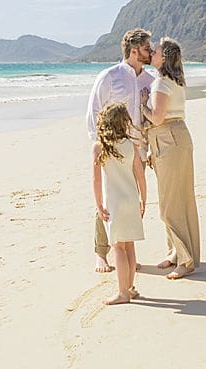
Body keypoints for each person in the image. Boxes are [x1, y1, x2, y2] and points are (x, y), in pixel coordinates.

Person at [85, 28, 153, 272]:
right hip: (111, 150)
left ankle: (126, 254)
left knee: (130, 201)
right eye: (147, 48)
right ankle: (101, 253)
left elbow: (151, 120)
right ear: (134, 51)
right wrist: (101, 145)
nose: (151, 52)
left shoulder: (149, 81)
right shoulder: (109, 76)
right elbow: (93, 112)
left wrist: (149, 149)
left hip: (137, 150)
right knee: (106, 201)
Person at [143, 36, 200, 279]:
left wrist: (141, 105)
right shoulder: (173, 81)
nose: (150, 54)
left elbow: (156, 118)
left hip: (169, 138)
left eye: (154, 52)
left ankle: (185, 260)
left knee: (169, 205)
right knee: (180, 199)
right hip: (174, 138)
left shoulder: (162, 83)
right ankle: (177, 253)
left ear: (163, 58)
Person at [92, 102, 146, 305]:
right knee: (129, 246)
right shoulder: (131, 145)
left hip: (113, 202)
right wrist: (143, 199)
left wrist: (99, 206)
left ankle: (123, 292)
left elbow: (96, 180)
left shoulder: (99, 147)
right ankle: (130, 288)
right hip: (131, 199)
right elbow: (140, 175)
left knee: (118, 248)